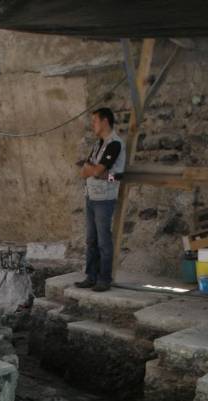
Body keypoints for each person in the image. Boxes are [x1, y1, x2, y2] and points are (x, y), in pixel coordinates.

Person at [75, 107, 126, 294]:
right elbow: (85, 172)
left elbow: (102, 172)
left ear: (105, 121)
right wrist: (95, 171)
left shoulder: (115, 144)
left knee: (104, 240)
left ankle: (104, 278)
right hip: (91, 194)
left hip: (104, 197)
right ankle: (91, 276)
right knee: (91, 239)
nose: (92, 125)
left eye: (95, 121)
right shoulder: (98, 144)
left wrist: (96, 171)